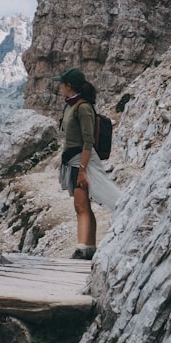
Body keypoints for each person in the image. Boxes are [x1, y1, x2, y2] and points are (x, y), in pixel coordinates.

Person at [52, 68, 121, 260]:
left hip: (81, 162)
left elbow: (88, 141)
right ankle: (89, 246)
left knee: (80, 206)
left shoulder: (83, 108)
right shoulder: (70, 106)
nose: (59, 87)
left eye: (62, 84)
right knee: (83, 205)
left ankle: (82, 248)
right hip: (72, 161)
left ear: (69, 86)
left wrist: (82, 170)